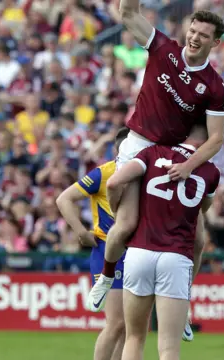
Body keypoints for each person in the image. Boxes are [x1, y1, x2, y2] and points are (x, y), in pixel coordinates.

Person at [104, 125, 220, 360]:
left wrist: (119, 211)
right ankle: (185, 310)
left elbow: (113, 183)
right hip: (176, 256)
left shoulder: (152, 152)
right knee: (168, 349)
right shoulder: (211, 171)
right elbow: (203, 208)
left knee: (134, 338)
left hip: (140, 251)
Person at [56, 127, 130, 360]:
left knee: (131, 327)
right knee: (117, 323)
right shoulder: (103, 173)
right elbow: (64, 198)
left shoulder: (143, 173)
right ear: (118, 149)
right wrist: (80, 231)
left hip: (137, 253)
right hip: (109, 252)